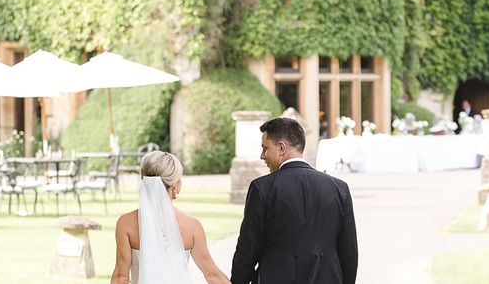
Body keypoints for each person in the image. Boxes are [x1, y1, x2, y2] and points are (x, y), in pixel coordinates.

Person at [230, 117, 358, 284]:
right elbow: (349, 252)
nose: (262, 156)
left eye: (265, 148)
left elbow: (247, 250)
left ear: (281, 147)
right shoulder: (339, 188)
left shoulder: (262, 188)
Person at [110, 150, 231, 284]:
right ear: (175, 187)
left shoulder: (126, 223)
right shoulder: (192, 226)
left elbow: (121, 276)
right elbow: (212, 274)